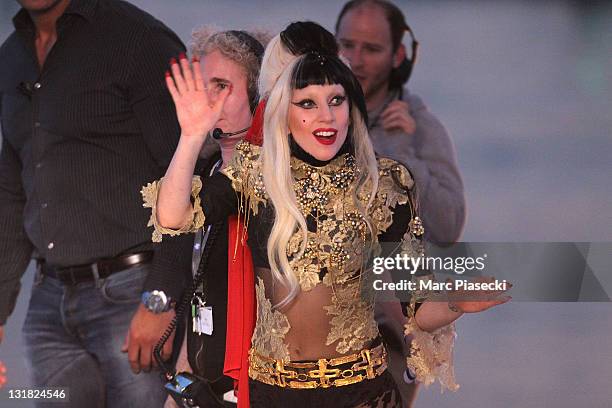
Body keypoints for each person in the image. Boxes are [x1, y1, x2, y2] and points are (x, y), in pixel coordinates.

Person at [143, 21, 509, 408]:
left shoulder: (384, 183)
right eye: (308, 103)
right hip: (272, 394)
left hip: (363, 394)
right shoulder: (255, 176)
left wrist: (454, 301)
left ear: (352, 108)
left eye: (336, 101)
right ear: (284, 112)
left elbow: (417, 307)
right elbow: (173, 216)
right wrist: (191, 135)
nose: (325, 116)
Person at [0, 0, 192, 406]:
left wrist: (162, 297)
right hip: (48, 302)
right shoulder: (12, 55)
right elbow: (14, 187)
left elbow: (185, 170)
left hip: (132, 296)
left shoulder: (137, 39)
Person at [161, 27, 267, 408]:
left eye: (221, 86)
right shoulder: (204, 170)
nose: (207, 98)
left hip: (256, 385)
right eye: (203, 85)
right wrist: (183, 378)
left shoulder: (272, 180)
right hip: (204, 379)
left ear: (258, 98)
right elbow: (200, 283)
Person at [335, 0, 466, 246]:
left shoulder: (420, 127)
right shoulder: (313, 117)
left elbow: (448, 230)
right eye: (347, 45)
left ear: (398, 56)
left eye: (372, 49)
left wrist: (402, 156)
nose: (356, 60)